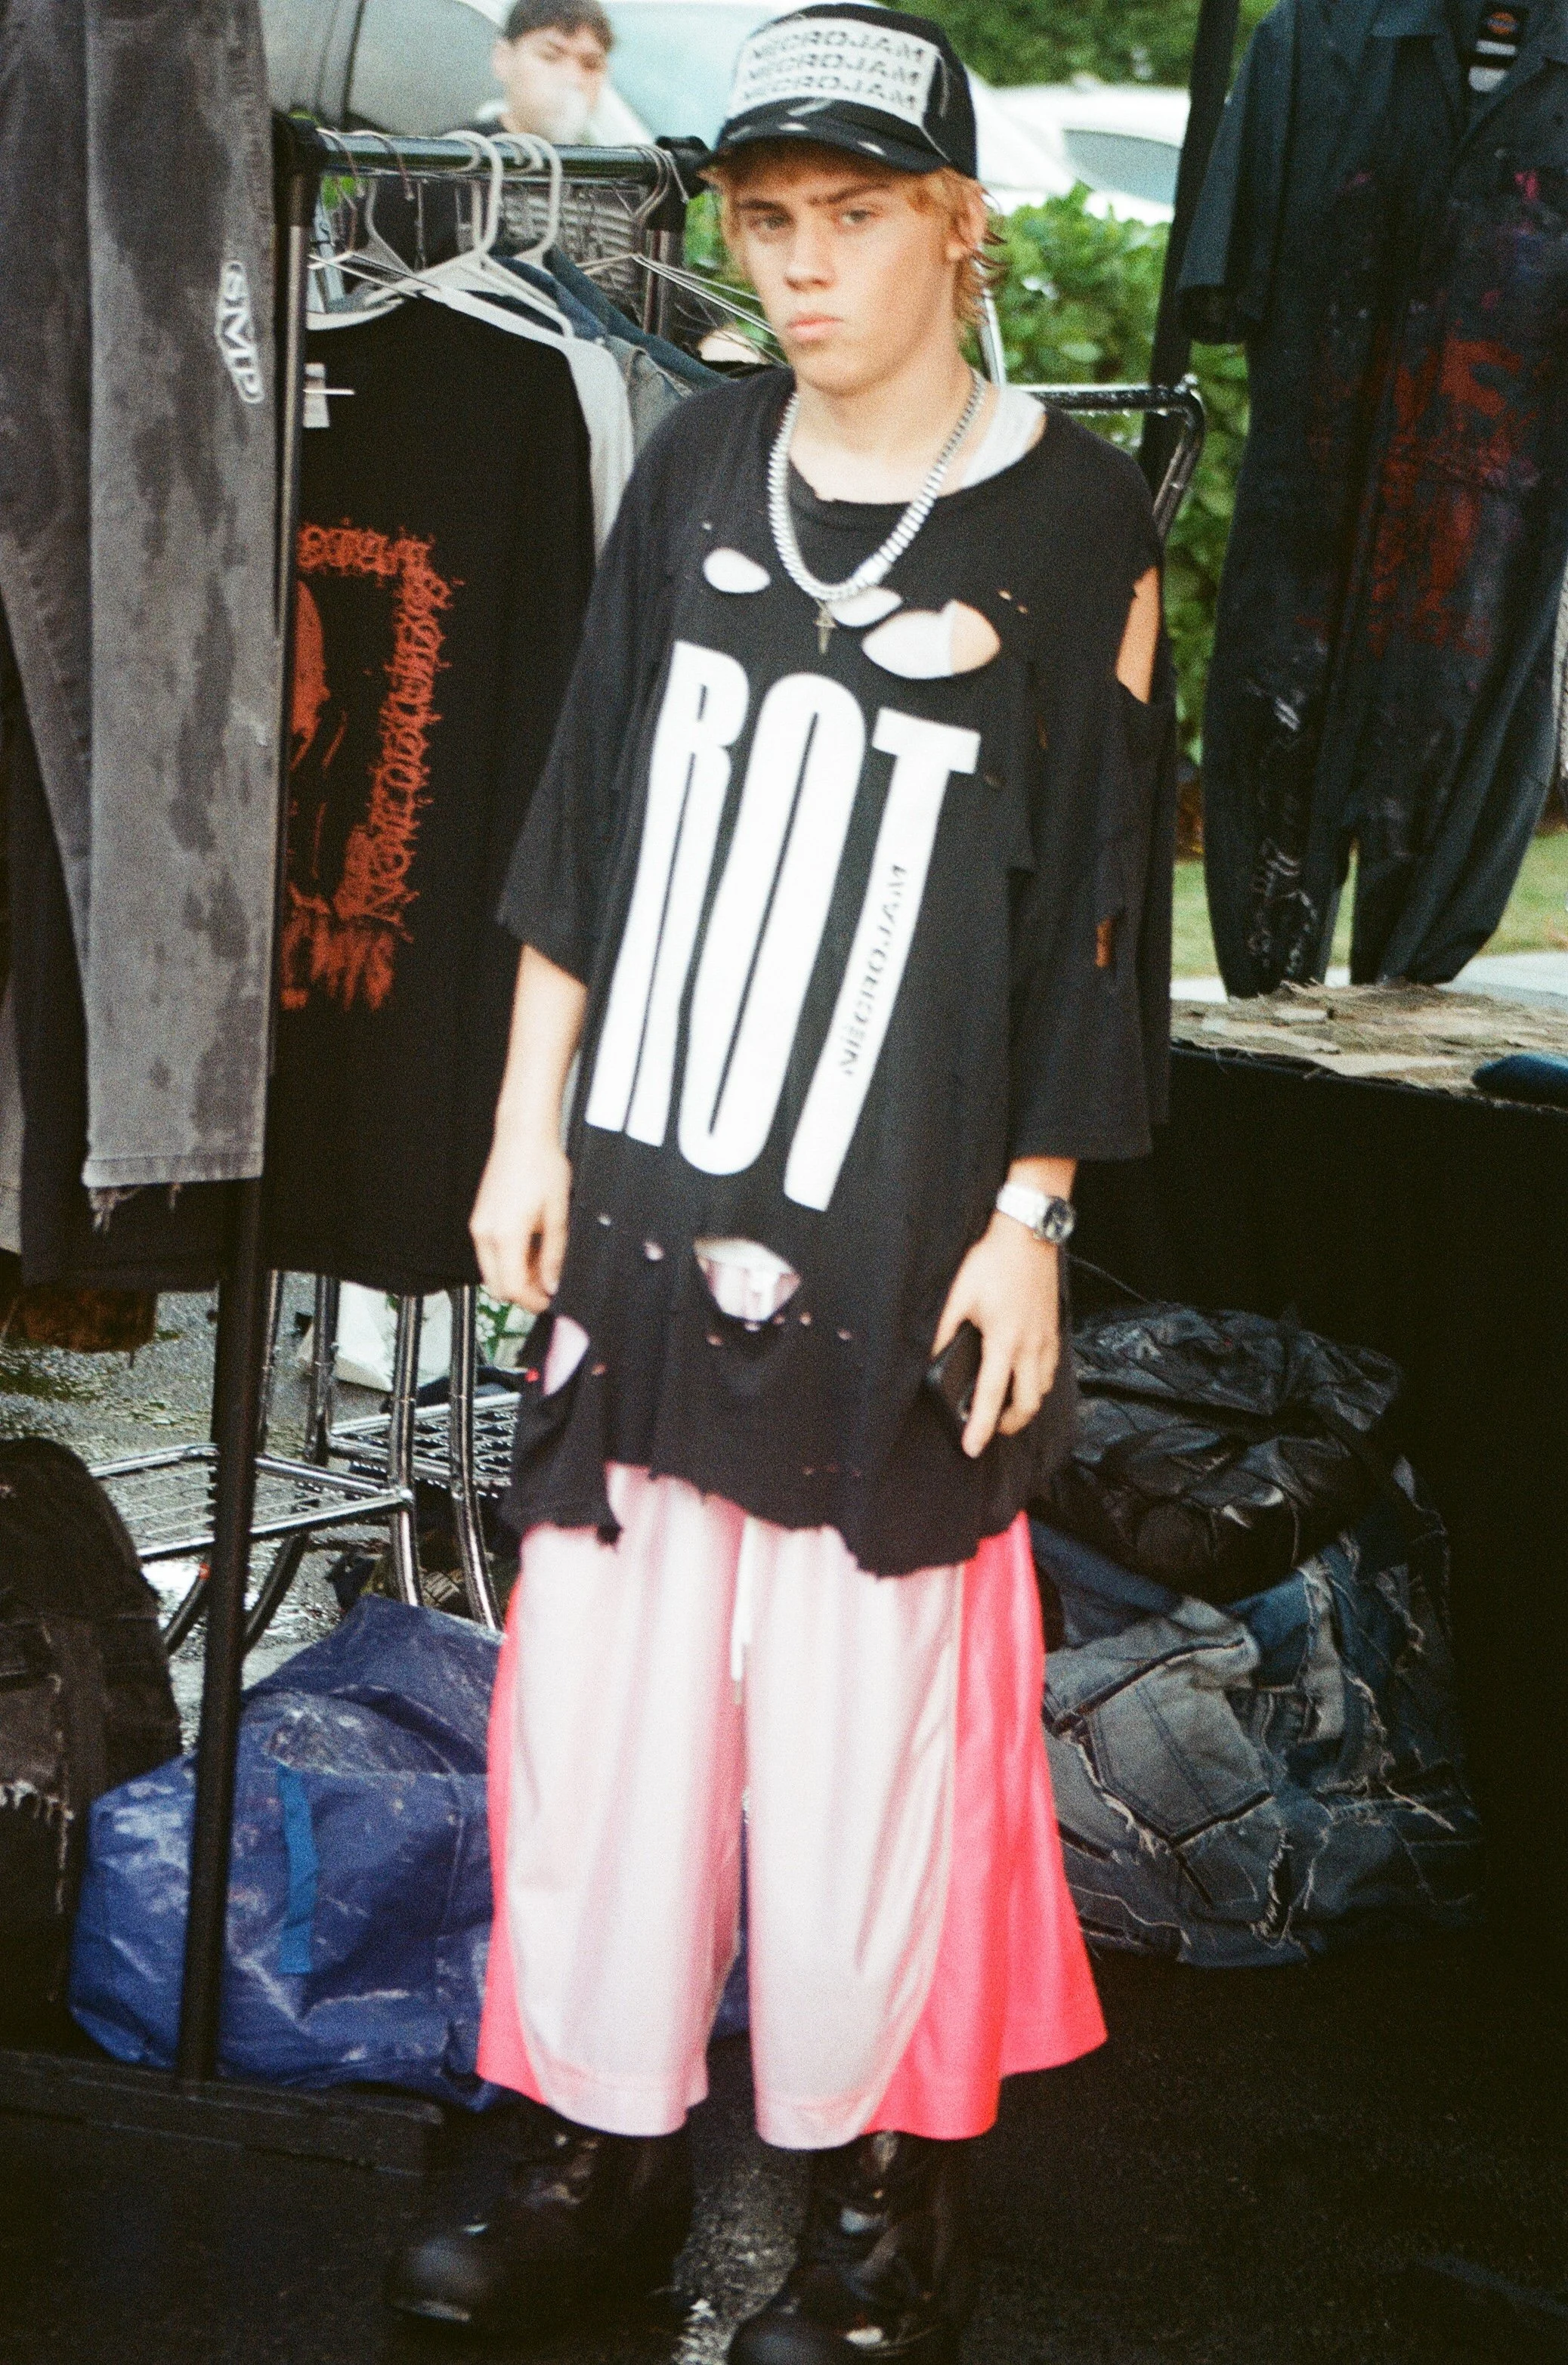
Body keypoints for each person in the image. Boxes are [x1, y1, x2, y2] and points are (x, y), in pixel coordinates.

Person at [388, 8, 1174, 2357]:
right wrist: (525, 1124)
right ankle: (596, 2145)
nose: (802, 265)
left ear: (958, 228)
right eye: (765, 220)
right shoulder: (696, 459)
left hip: (895, 1225)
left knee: (861, 1741)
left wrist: (1030, 1215)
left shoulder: (1074, 526)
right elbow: (583, 814)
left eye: (852, 217)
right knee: (609, 1720)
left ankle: (875, 2194)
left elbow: (1096, 909)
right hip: (645, 1197)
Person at [484, 0, 613, 145]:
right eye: (551, 56)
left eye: (590, 65)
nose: (573, 78)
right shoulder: (468, 151)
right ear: (503, 58)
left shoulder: (610, 156)